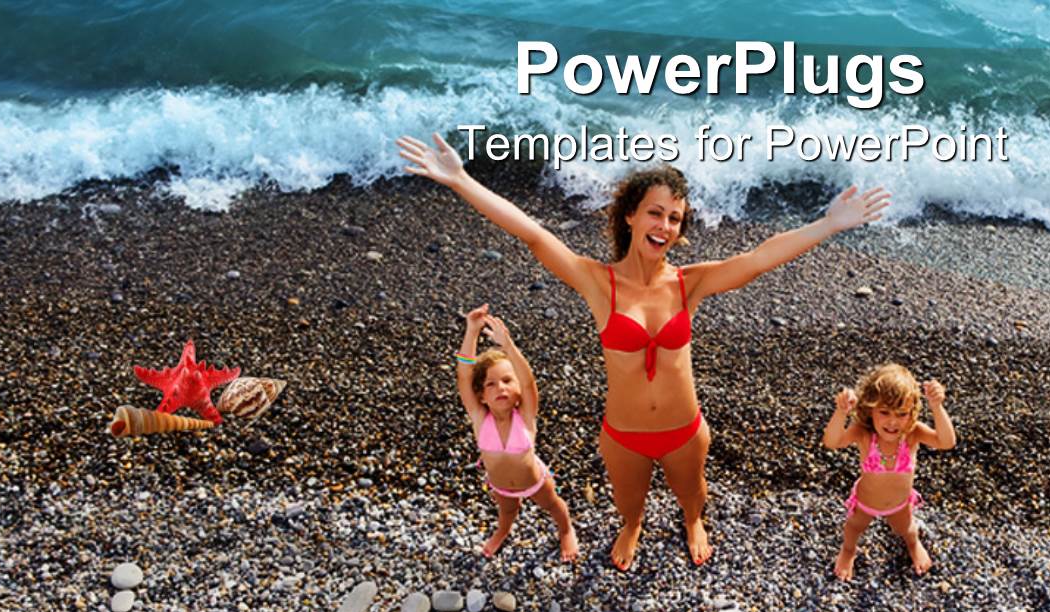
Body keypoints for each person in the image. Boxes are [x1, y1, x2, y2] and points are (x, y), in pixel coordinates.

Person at [399, 131, 889, 570]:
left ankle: (692, 521)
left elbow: (758, 259)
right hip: (624, 434)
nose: (666, 225)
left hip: (684, 430)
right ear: (631, 216)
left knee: (692, 494)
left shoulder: (688, 283)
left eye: (675, 217)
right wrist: (462, 181)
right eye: (655, 212)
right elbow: (532, 233)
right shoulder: (597, 282)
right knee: (628, 504)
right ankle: (632, 527)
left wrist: (828, 225)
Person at [456, 305, 579, 561]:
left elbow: (528, 381)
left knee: (553, 506)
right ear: (481, 395)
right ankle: (502, 531)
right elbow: (464, 376)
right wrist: (472, 331)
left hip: (535, 482)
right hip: (499, 485)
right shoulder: (480, 417)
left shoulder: (524, 416)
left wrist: (508, 345)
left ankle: (566, 530)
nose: (500, 387)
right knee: (507, 512)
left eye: (507, 381)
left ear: (518, 389)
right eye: (491, 383)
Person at [822, 363, 955, 580]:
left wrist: (937, 406)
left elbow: (946, 442)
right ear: (869, 409)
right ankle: (848, 552)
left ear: (911, 412)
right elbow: (832, 441)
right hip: (866, 502)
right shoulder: (865, 434)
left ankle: (914, 546)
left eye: (901, 414)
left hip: (900, 504)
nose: (892, 422)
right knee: (853, 528)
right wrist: (841, 412)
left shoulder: (913, 434)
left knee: (908, 530)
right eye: (884, 412)